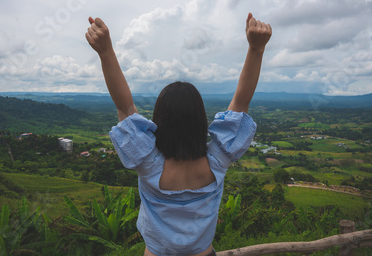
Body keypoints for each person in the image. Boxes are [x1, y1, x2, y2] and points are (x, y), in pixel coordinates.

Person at [85, 13, 272, 256]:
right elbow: (241, 102)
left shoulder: (148, 163)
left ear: (159, 121)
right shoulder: (217, 161)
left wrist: (105, 51)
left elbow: (125, 107)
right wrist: (256, 49)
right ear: (200, 121)